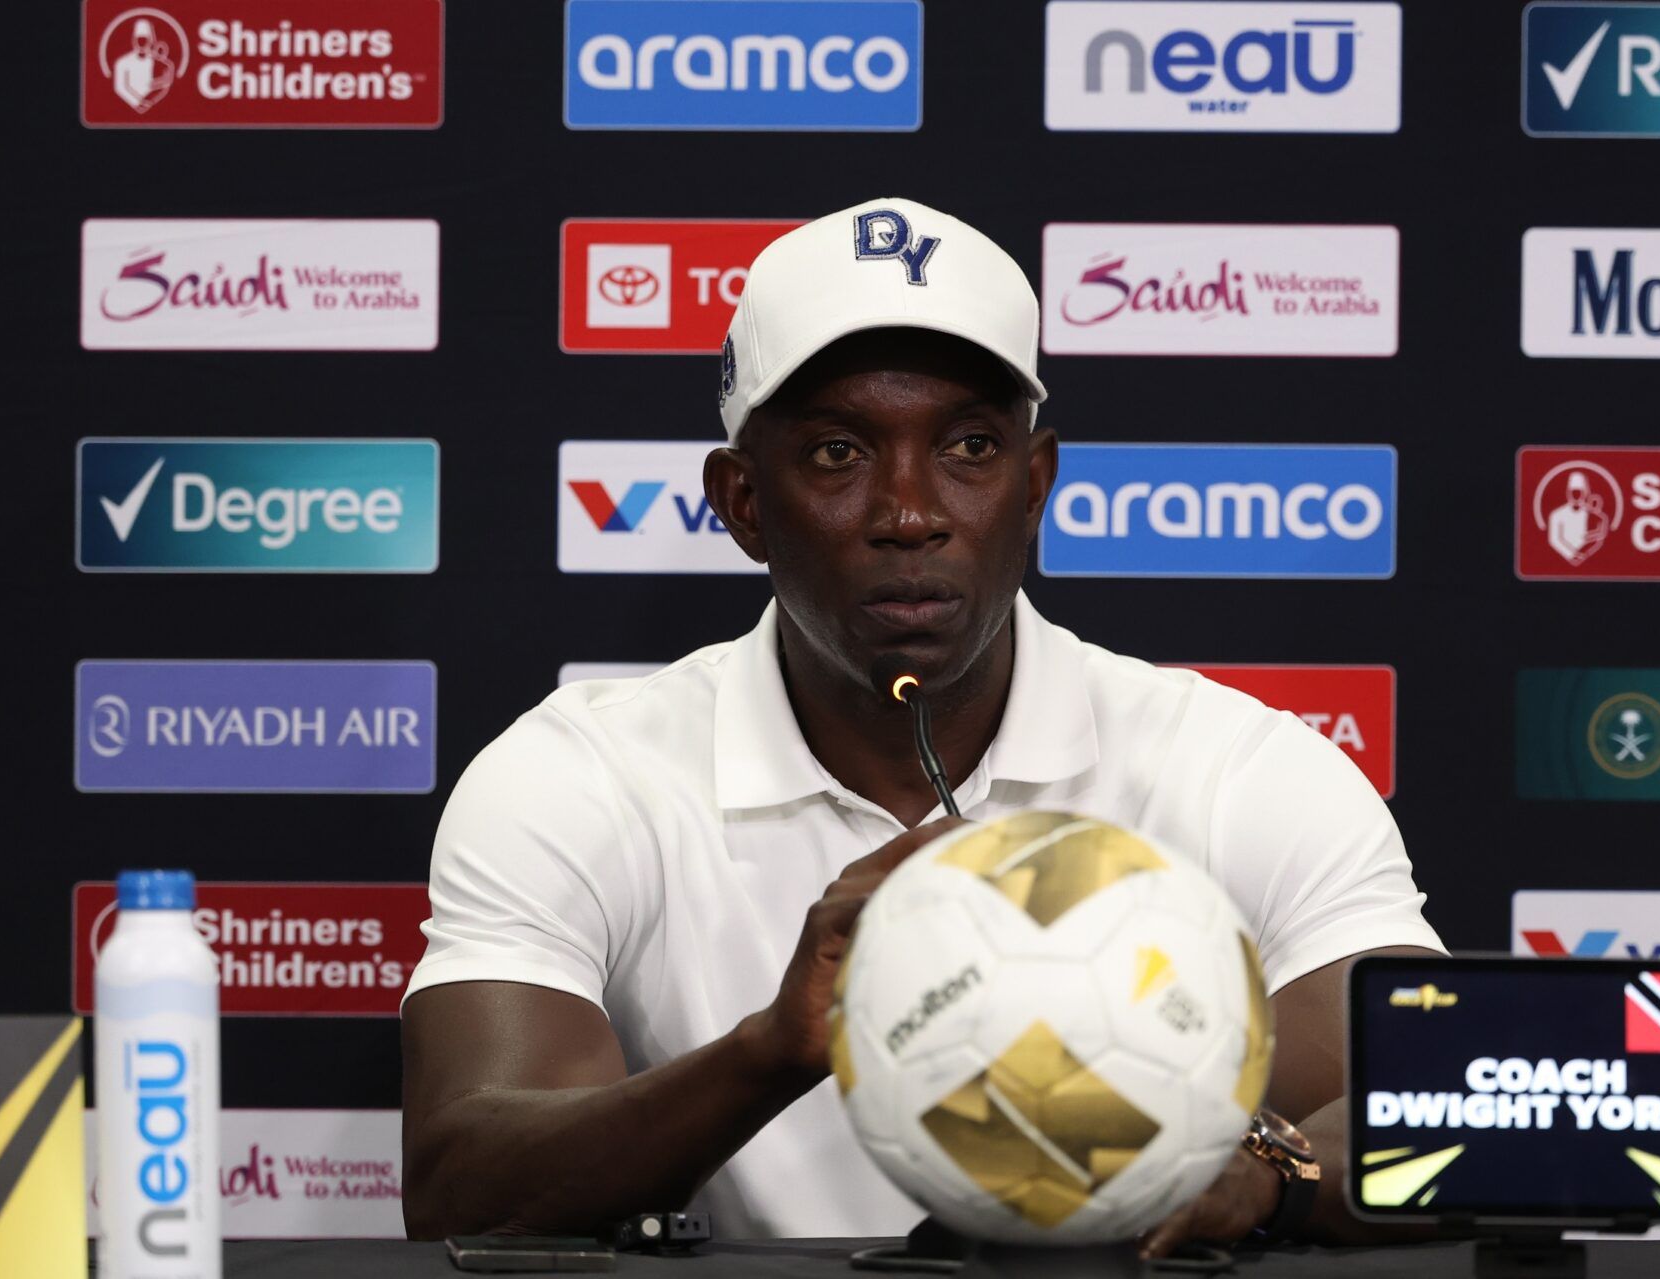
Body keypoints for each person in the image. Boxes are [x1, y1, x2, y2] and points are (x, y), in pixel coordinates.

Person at [400, 197, 1444, 1256]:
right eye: (839, 453)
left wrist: (1266, 1174)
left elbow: (1450, 1112)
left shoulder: (1236, 766)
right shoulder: (582, 773)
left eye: (971, 446)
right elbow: (459, 1179)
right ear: (743, 502)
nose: (910, 511)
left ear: (1035, 484)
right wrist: (767, 1052)